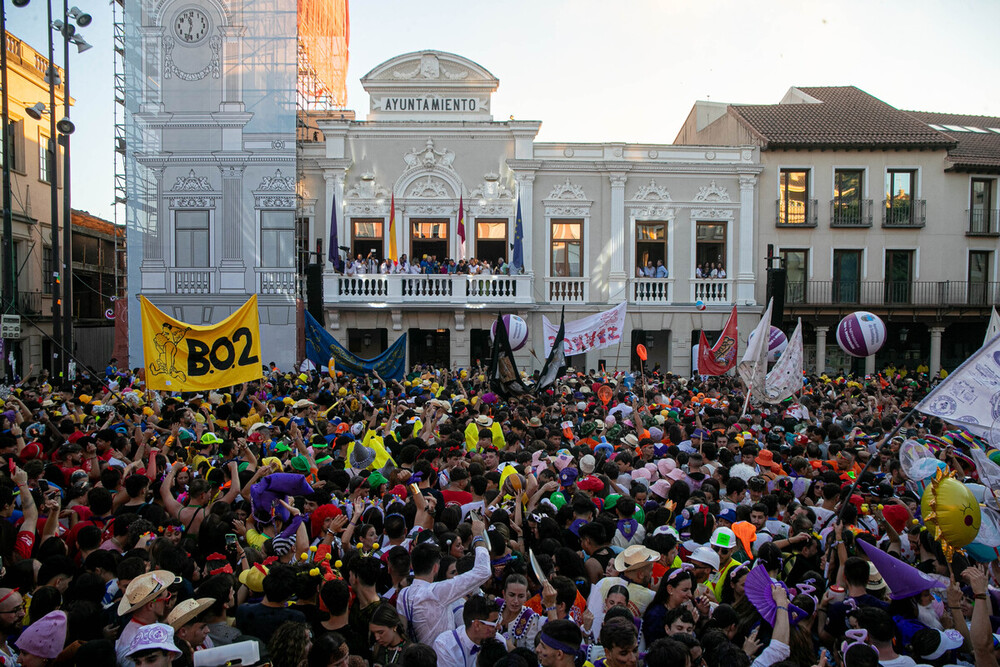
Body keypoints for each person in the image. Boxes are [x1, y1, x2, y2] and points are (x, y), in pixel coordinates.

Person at [396, 518, 491, 644]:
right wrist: (478, 536)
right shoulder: (437, 592)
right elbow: (483, 571)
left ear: (412, 566)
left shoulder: (403, 594)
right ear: (436, 568)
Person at [432, 595, 503, 667]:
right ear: (477, 625)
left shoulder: (499, 640)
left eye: (498, 621)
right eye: (494, 623)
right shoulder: (445, 645)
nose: (499, 627)